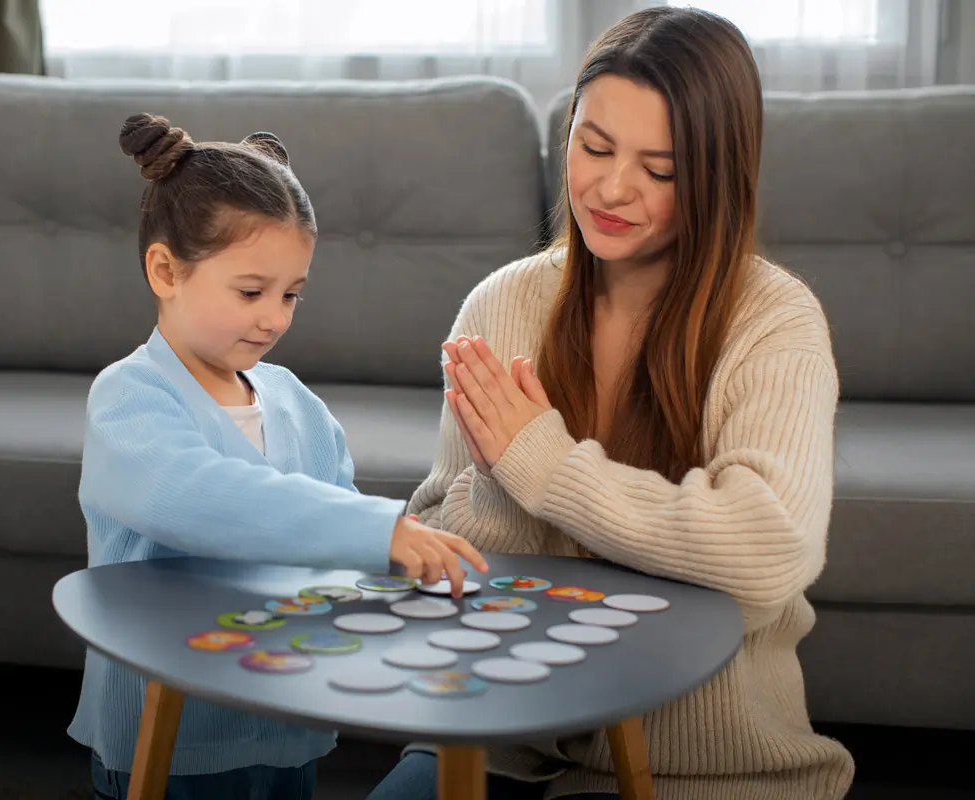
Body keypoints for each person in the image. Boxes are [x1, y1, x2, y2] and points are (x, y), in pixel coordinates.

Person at [367, 7, 856, 800]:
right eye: (593, 146)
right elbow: (436, 549)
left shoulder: (773, 321)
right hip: (500, 737)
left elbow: (768, 552)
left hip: (698, 764)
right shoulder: (501, 306)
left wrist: (545, 465)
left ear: (716, 173)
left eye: (659, 170)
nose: (612, 187)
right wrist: (500, 485)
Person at [68, 113, 488, 800]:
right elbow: (205, 499)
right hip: (171, 740)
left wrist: (404, 569)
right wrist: (376, 530)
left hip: (283, 718)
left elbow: (336, 521)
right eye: (251, 292)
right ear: (165, 270)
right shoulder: (128, 399)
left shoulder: (294, 400)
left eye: (292, 294)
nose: (275, 318)